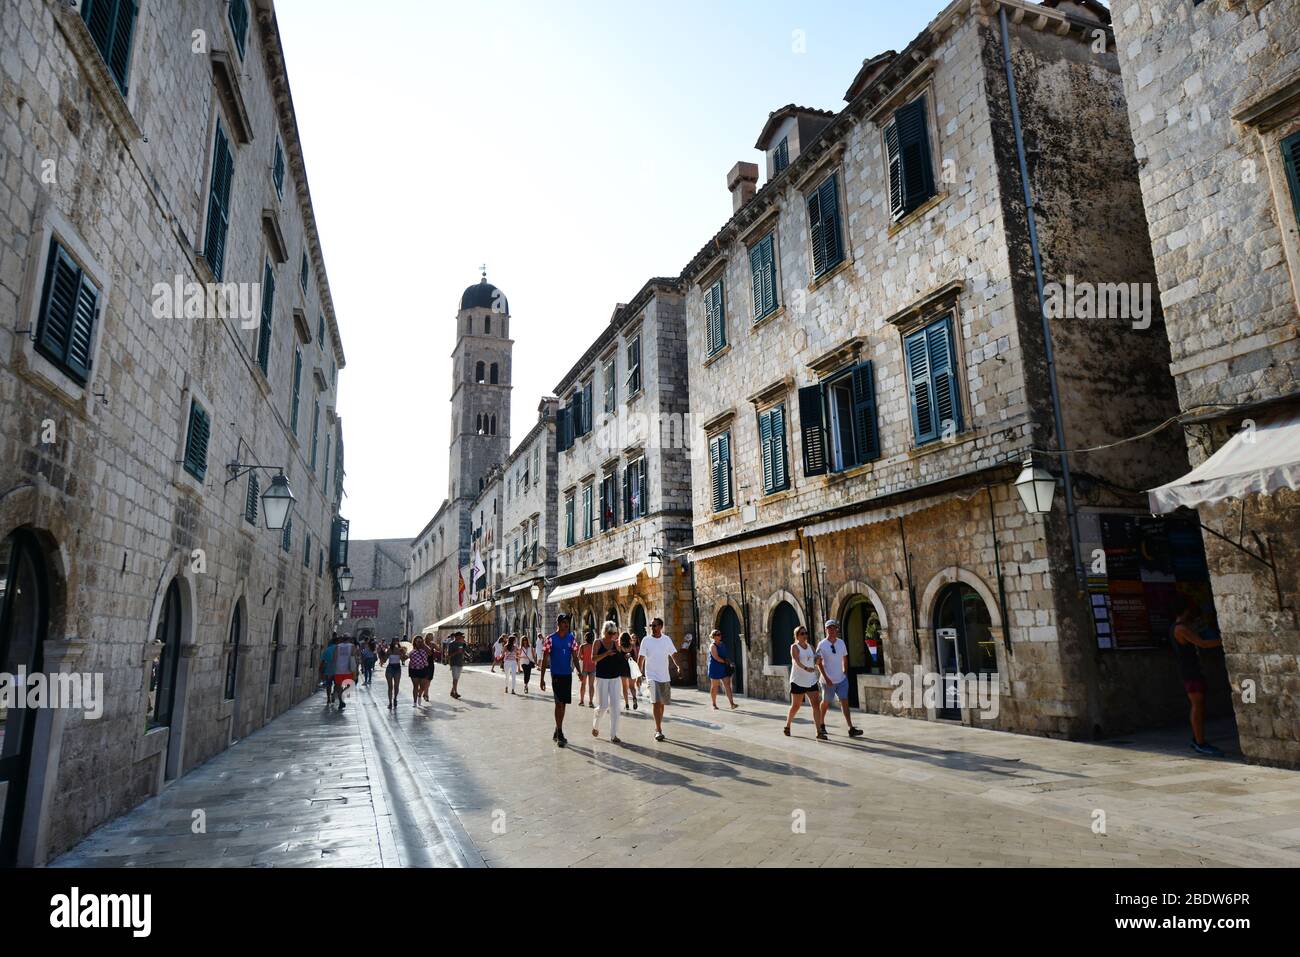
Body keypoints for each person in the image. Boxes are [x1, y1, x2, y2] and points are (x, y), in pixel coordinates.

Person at [1171, 595, 1225, 756]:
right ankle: (1199, 741)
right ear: (1186, 610)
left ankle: (1198, 738)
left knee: (1199, 704)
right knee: (1197, 705)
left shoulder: (1180, 626)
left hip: (1192, 669)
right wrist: (1226, 640)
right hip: (1190, 671)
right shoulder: (1180, 628)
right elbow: (1202, 643)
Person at [816, 620, 863, 738]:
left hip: (841, 679)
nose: (832, 630)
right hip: (827, 681)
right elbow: (818, 663)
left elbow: (845, 658)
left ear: (837, 629)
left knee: (845, 702)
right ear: (826, 630)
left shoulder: (841, 643)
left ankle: (850, 728)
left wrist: (845, 672)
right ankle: (821, 724)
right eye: (829, 628)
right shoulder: (822, 644)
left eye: (834, 628)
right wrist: (826, 678)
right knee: (825, 702)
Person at [637, 617, 681, 742]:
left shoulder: (666, 640)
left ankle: (658, 727)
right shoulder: (646, 640)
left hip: (664, 676)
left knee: (661, 704)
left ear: (661, 626)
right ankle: (658, 729)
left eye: (655, 625)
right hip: (651, 676)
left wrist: (678, 666)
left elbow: (673, 654)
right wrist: (638, 675)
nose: (652, 628)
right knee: (656, 702)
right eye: (651, 625)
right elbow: (640, 658)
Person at [540, 613, 580, 747]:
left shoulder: (571, 639)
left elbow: (575, 657)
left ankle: (557, 729)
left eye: (567, 622)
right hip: (556, 675)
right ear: (558, 623)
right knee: (558, 704)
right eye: (564, 622)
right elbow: (545, 659)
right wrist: (542, 679)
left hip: (567, 674)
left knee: (563, 704)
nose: (566, 624)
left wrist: (579, 672)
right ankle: (560, 733)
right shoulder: (550, 639)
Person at [784, 626, 826, 740]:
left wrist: (818, 660)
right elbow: (796, 661)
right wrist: (806, 668)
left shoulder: (811, 647)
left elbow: (815, 661)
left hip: (811, 680)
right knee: (796, 706)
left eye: (805, 633)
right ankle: (788, 725)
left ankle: (819, 732)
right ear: (797, 636)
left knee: (816, 705)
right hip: (798, 681)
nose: (804, 635)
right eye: (802, 633)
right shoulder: (794, 647)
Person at [591, 622, 624, 742]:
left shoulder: (616, 643)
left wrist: (623, 652)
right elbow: (593, 659)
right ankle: (595, 725)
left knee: (615, 707)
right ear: (604, 632)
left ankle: (613, 735)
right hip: (602, 678)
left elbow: (621, 656)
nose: (612, 635)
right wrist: (606, 654)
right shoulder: (598, 642)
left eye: (614, 633)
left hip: (615, 678)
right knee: (603, 706)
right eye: (610, 633)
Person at [707, 629, 738, 711]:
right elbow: (716, 658)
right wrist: (725, 661)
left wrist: (729, 662)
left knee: (727, 685)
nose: (719, 635)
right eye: (717, 634)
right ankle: (714, 704)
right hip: (715, 668)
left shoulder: (722, 644)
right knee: (714, 686)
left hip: (723, 667)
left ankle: (732, 703)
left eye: (720, 634)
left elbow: (725, 655)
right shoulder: (712, 646)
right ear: (713, 636)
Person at [331, 633, 358, 712]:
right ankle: (342, 696)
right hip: (348, 669)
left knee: (338, 686)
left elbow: (334, 658)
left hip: (338, 670)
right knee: (351, 684)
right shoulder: (352, 646)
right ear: (349, 639)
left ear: (342, 639)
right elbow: (354, 657)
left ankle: (341, 701)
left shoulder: (337, 646)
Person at [618, 632, 639, 710]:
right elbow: (636, 657)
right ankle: (634, 697)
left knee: (624, 687)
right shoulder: (633, 646)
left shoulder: (620, 647)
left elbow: (617, 658)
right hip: (632, 668)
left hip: (623, 669)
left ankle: (626, 704)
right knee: (632, 686)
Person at [408, 637, 431, 707]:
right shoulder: (411, 650)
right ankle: (415, 702)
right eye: (418, 641)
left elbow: (430, 652)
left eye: (421, 641)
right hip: (413, 669)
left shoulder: (425, 650)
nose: (419, 642)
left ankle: (419, 695)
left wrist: (423, 644)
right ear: (415, 642)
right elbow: (406, 657)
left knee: (423, 687)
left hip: (423, 669)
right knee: (415, 686)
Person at [385, 639, 407, 710]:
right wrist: (383, 653)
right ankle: (390, 703)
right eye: (394, 641)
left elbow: (403, 660)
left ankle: (395, 699)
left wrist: (404, 654)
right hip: (390, 668)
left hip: (397, 668)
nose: (396, 643)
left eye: (397, 641)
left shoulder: (400, 650)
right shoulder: (389, 650)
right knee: (390, 687)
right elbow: (384, 660)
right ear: (392, 642)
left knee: (396, 686)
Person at [446, 631, 468, 699]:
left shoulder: (461, 643)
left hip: (460, 663)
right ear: (457, 636)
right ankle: (455, 692)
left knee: (456, 679)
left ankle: (452, 692)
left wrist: (465, 654)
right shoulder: (451, 644)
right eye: (461, 636)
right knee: (455, 679)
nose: (462, 637)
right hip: (454, 663)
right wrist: (456, 652)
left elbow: (462, 652)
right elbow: (448, 655)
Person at [578, 630, 597, 707]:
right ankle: (591, 702)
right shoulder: (594, 646)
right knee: (591, 685)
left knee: (583, 684)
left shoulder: (582, 646)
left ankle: (582, 701)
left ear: (585, 638)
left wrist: (583, 658)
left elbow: (579, 657)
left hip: (584, 668)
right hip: (593, 668)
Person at [320, 636, 337, 706]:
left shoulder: (327, 650)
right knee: (337, 684)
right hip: (337, 669)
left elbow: (323, 660)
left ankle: (328, 699)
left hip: (329, 669)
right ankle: (333, 695)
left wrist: (320, 668)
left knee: (328, 685)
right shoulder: (338, 649)